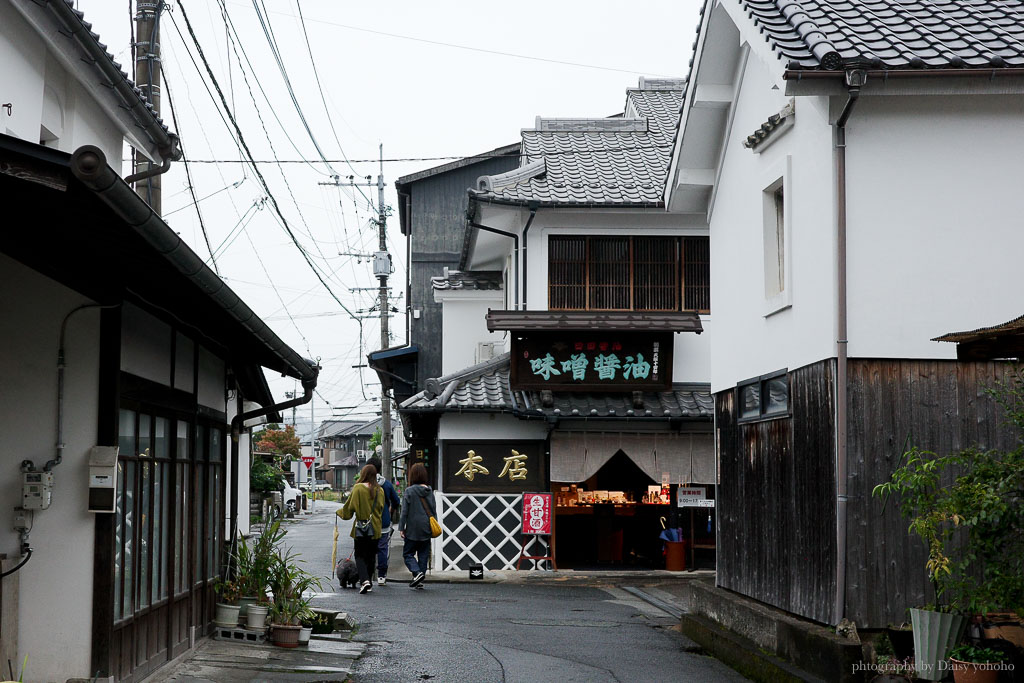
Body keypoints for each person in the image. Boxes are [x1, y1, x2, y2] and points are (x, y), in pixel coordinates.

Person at [338, 463, 385, 594]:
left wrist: (340, 513)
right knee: (371, 556)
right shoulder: (379, 490)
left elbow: (349, 509)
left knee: (360, 555)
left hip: (361, 527)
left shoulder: (358, 488)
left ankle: (364, 581)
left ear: (363, 474)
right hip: (375, 527)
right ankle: (368, 580)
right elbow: (381, 508)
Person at [397, 462, 436, 589]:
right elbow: (433, 509)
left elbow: (404, 512)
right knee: (423, 553)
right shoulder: (429, 490)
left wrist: (401, 527)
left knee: (408, 553)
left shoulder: (409, 491)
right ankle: (420, 578)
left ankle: (417, 572)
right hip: (426, 526)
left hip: (413, 527)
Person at [367, 456, 401, 585]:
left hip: (368, 522)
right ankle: (381, 576)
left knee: (368, 548)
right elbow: (396, 501)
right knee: (382, 548)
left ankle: (367, 575)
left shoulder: (364, 484)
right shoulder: (386, 484)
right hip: (384, 521)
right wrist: (390, 511)